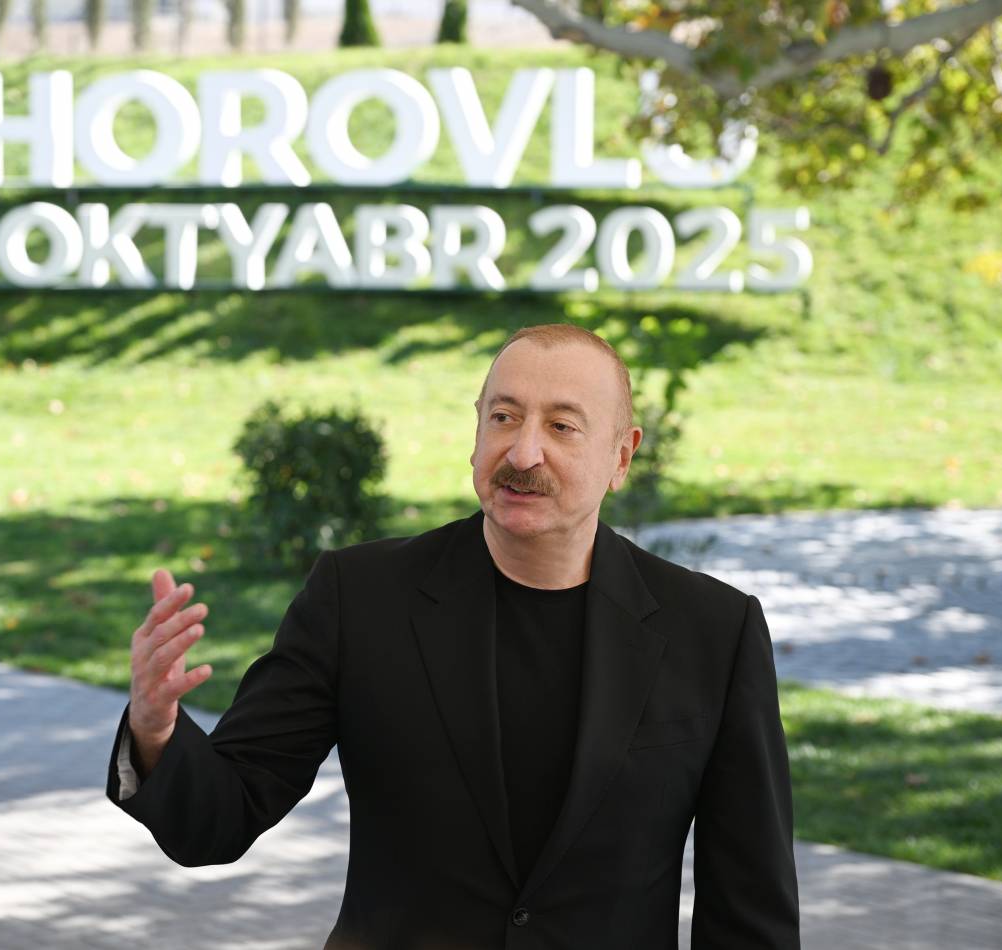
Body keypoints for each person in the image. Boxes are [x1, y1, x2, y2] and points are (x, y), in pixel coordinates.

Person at [105, 323, 800, 948]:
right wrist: (155, 731)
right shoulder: (359, 598)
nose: (523, 451)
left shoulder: (714, 630)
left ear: (622, 456)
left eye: (562, 427)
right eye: (504, 417)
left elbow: (749, 911)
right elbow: (220, 820)